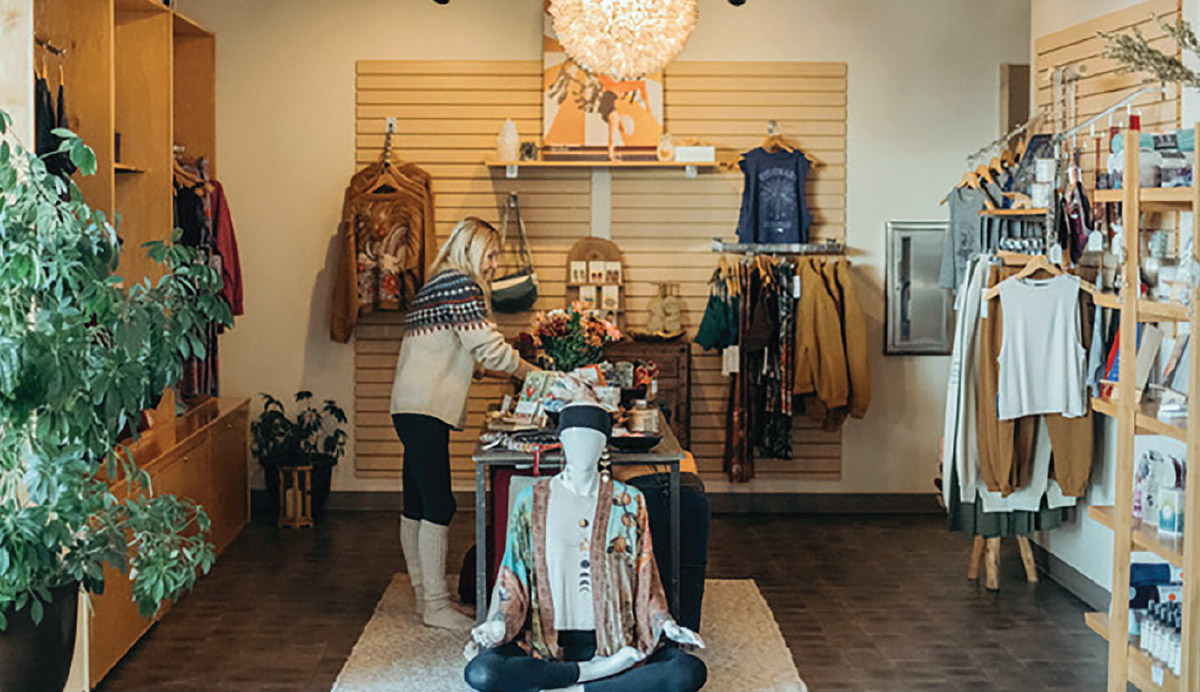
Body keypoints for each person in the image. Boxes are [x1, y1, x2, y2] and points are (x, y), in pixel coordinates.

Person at [463, 404, 708, 692]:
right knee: (481, 673)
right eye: (574, 438)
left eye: (591, 440)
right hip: (546, 645)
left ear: (604, 445)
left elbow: (646, 575)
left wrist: (664, 623)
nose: (582, 447)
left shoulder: (629, 501)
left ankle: (569, 686)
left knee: (688, 672)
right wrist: (499, 623)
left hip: (615, 643)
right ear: (562, 442)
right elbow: (512, 574)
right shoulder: (532, 500)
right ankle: (588, 676)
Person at [391, 217, 539, 631]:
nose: (493, 265)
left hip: (409, 405)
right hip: (426, 409)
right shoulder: (462, 285)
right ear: (474, 249)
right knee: (440, 504)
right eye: (491, 255)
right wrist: (536, 374)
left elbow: (452, 354)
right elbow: (488, 348)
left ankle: (427, 598)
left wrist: (499, 372)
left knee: (417, 504)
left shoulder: (437, 284)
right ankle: (435, 606)